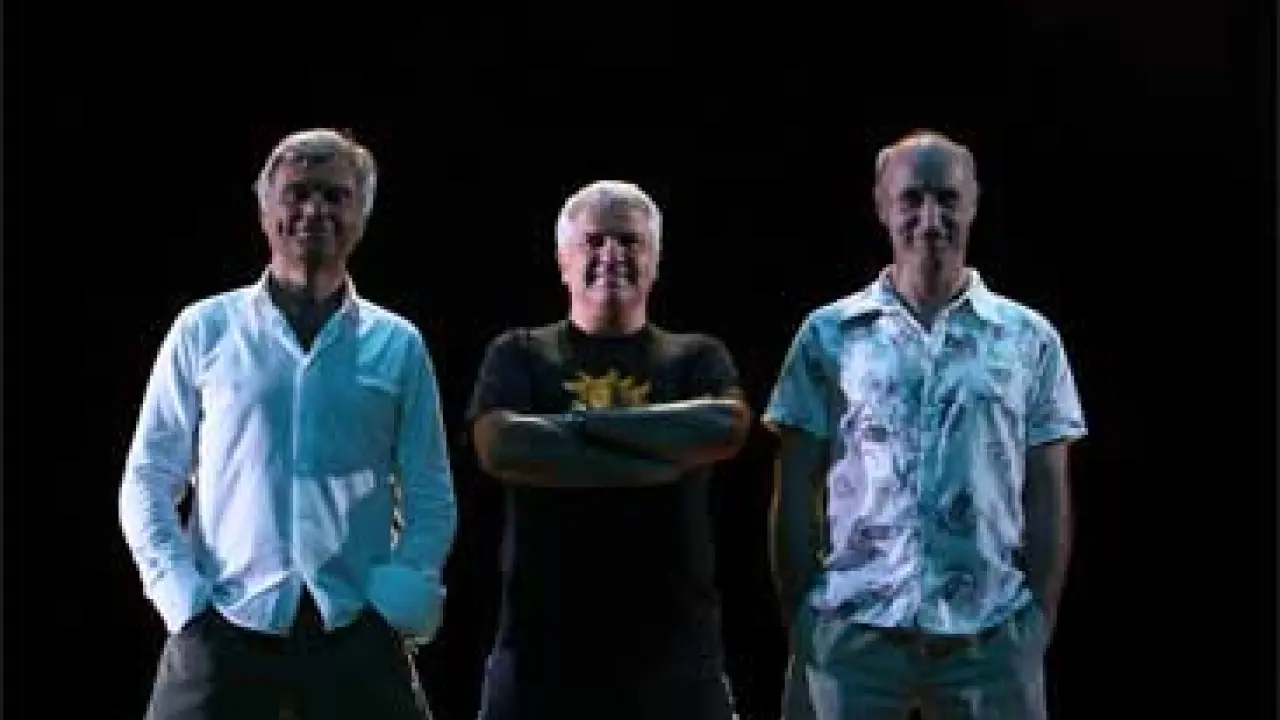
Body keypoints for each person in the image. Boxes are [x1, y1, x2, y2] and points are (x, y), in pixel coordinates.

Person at [118, 128, 457, 720]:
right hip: (223, 625)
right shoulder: (204, 330)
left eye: (335, 195)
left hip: (354, 629)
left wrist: (393, 605)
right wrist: (183, 601)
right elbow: (148, 479)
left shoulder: (398, 344)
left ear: (361, 216)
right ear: (264, 210)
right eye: (298, 193)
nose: (315, 210)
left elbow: (430, 493)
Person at [764, 130, 1087, 720]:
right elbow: (794, 484)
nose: (930, 219)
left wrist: (1037, 621)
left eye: (947, 198)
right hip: (852, 637)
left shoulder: (1029, 338)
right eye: (912, 198)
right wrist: (804, 617)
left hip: (989, 638)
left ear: (974, 203)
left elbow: (1047, 489)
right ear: (882, 205)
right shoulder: (829, 334)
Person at [465, 180, 753, 720]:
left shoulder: (696, 356)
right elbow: (501, 445)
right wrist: (658, 456)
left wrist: (564, 435)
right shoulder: (519, 353)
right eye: (594, 241)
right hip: (540, 655)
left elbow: (727, 427)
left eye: (629, 241)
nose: (611, 254)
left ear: (655, 261)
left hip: (675, 656)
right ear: (563, 262)